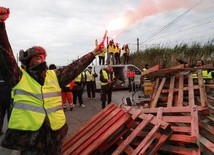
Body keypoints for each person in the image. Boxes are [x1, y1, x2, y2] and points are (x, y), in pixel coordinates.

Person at [0, 6, 104, 154]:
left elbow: (75, 66)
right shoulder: (18, 76)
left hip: (54, 136)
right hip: (29, 140)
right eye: (38, 58)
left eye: (44, 57)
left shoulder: (54, 76)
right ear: (29, 61)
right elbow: (5, 54)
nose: (42, 60)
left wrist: (93, 53)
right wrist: (1, 25)